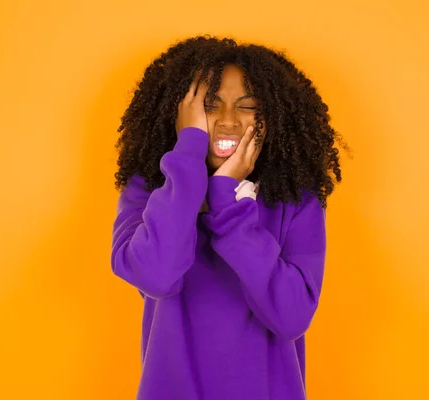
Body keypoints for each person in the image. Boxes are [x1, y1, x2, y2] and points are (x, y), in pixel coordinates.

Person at [111, 35, 349, 400]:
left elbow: (292, 317)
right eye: (210, 105)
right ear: (181, 114)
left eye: (247, 105)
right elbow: (156, 275)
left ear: (272, 117)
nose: (227, 121)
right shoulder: (149, 191)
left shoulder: (295, 200)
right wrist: (188, 153)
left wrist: (226, 201)